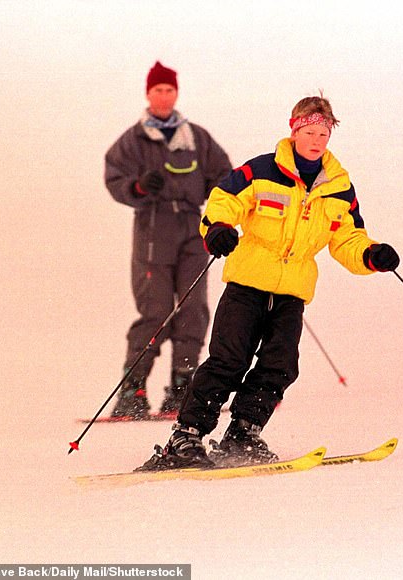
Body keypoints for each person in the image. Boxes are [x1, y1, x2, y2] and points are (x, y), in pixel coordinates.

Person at [138, 94, 400, 470]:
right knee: (229, 360)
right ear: (294, 129)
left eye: (323, 134)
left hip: (292, 292)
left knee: (280, 365)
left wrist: (371, 255)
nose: (316, 140)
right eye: (309, 132)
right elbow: (223, 201)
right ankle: (186, 435)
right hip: (248, 284)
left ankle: (243, 432)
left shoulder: (339, 187)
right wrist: (219, 230)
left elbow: (348, 238)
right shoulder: (260, 170)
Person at [105, 61, 232, 419]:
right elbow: (116, 179)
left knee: (193, 309)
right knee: (156, 311)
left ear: (177, 94)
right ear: (148, 94)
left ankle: (183, 386)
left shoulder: (196, 138)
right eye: (158, 90)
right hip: (153, 230)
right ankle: (133, 389)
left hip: (193, 228)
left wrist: (219, 198)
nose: (164, 95)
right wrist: (140, 187)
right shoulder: (133, 140)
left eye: (169, 90)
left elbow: (225, 175)